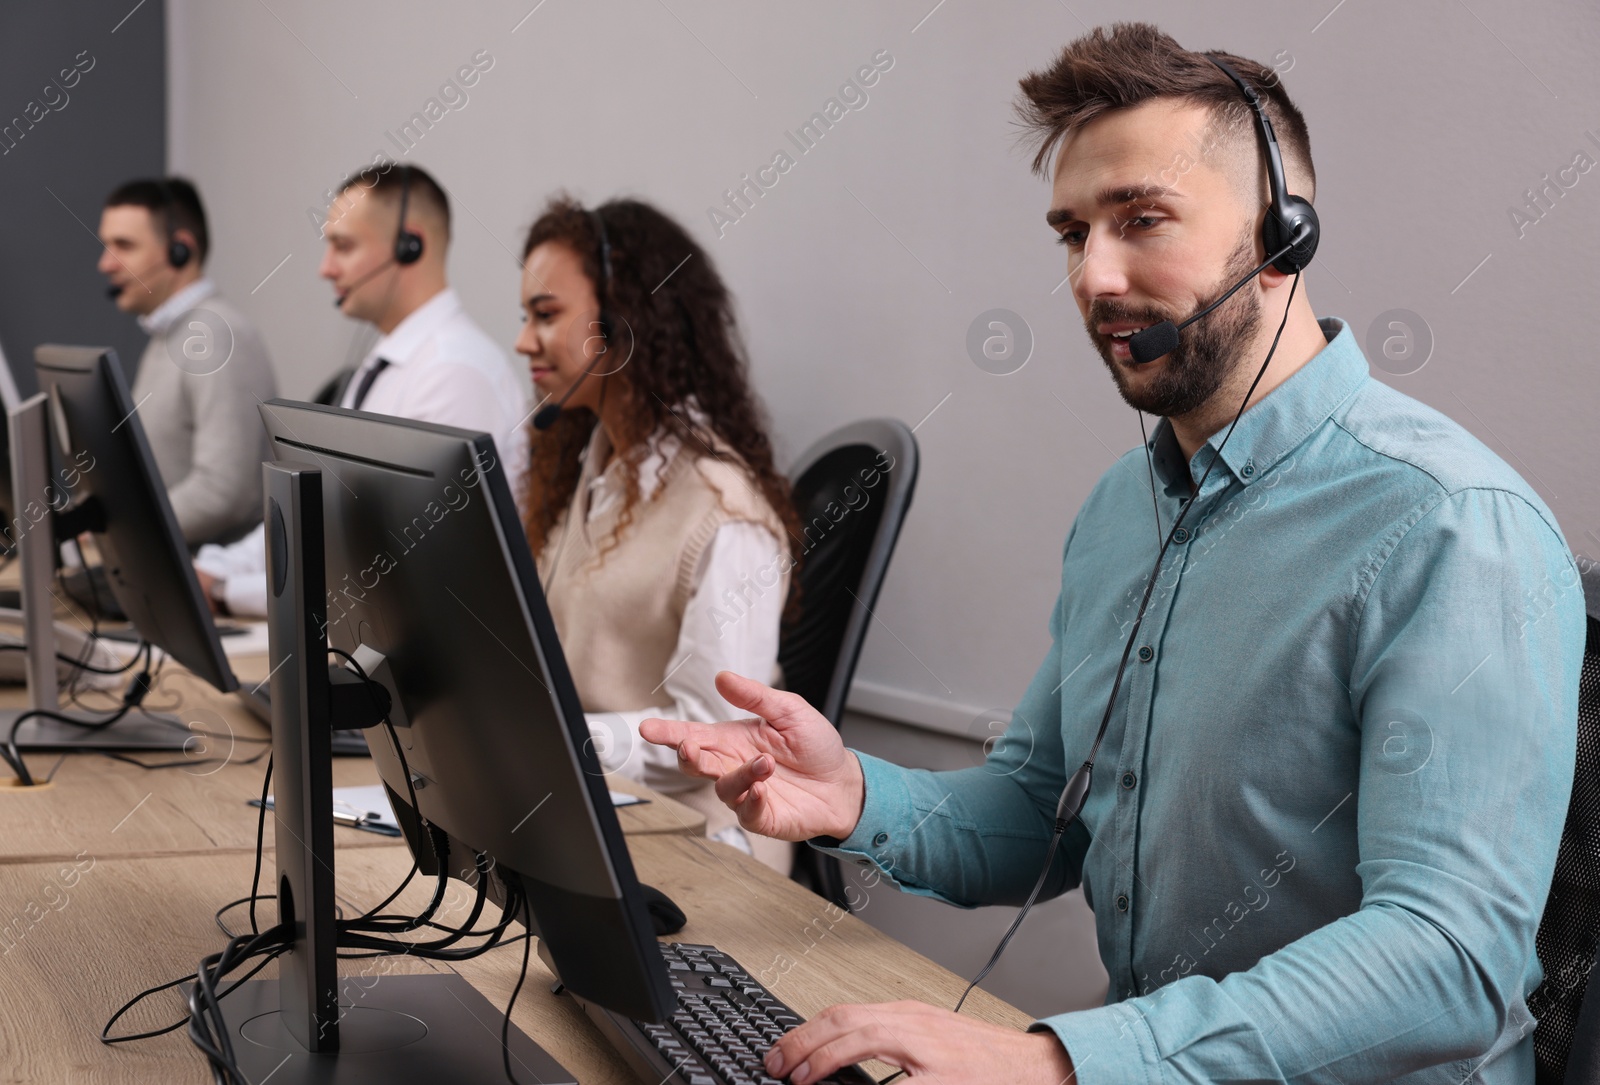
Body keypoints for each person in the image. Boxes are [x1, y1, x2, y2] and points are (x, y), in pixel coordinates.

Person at [639, 24, 1586, 1085]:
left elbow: (1449, 959)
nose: (1092, 277)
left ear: (1284, 236)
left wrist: (1059, 1057)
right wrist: (854, 793)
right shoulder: (1121, 510)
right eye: (1071, 233)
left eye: (1141, 221)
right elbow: (1041, 814)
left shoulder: (1453, 523)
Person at [517, 195, 801, 874]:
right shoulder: (586, 469)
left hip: (699, 851)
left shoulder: (724, 515)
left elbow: (717, 737)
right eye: (524, 316)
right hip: (590, 815)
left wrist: (555, 742)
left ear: (622, 324)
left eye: (546, 314)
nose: (525, 340)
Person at [195, 162, 528, 616]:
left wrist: (228, 592)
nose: (325, 269)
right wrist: (213, 568)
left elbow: (399, 564)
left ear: (410, 247)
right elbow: (314, 512)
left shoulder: (455, 374)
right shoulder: (380, 366)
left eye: (343, 247)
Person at [98, 177, 278, 546]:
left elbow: (224, 491)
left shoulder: (215, 336)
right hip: (174, 565)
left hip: (211, 580)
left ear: (180, 250)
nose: (106, 264)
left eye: (124, 246)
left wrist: (125, 536)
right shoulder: (172, 333)